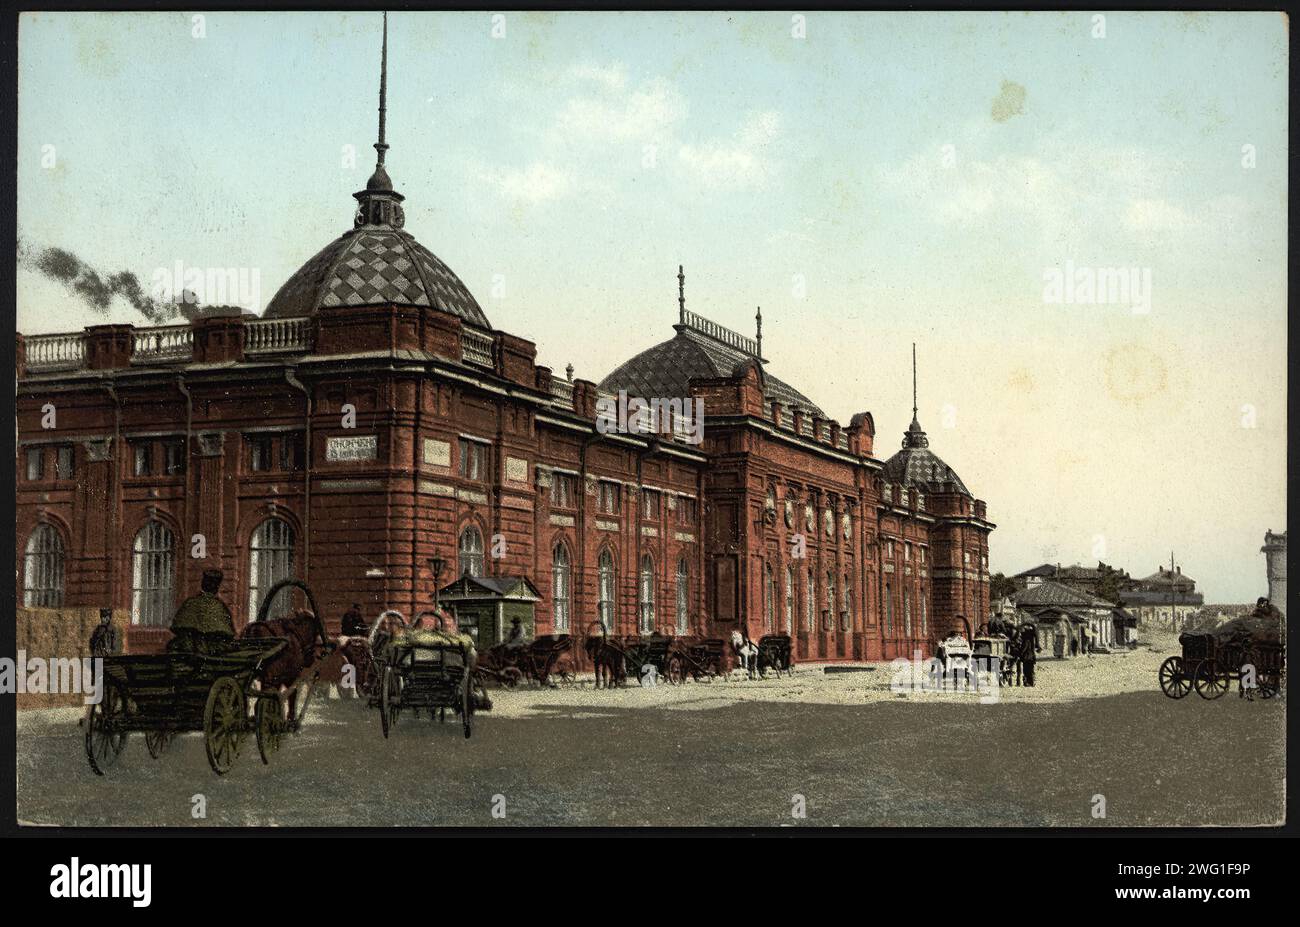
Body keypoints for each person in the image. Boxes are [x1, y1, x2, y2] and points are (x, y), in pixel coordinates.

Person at [168, 568, 236, 654]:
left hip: (189, 648)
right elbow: (227, 633)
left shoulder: (190, 602)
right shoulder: (219, 606)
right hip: (208, 649)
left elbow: (178, 626)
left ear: (203, 584)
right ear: (217, 587)